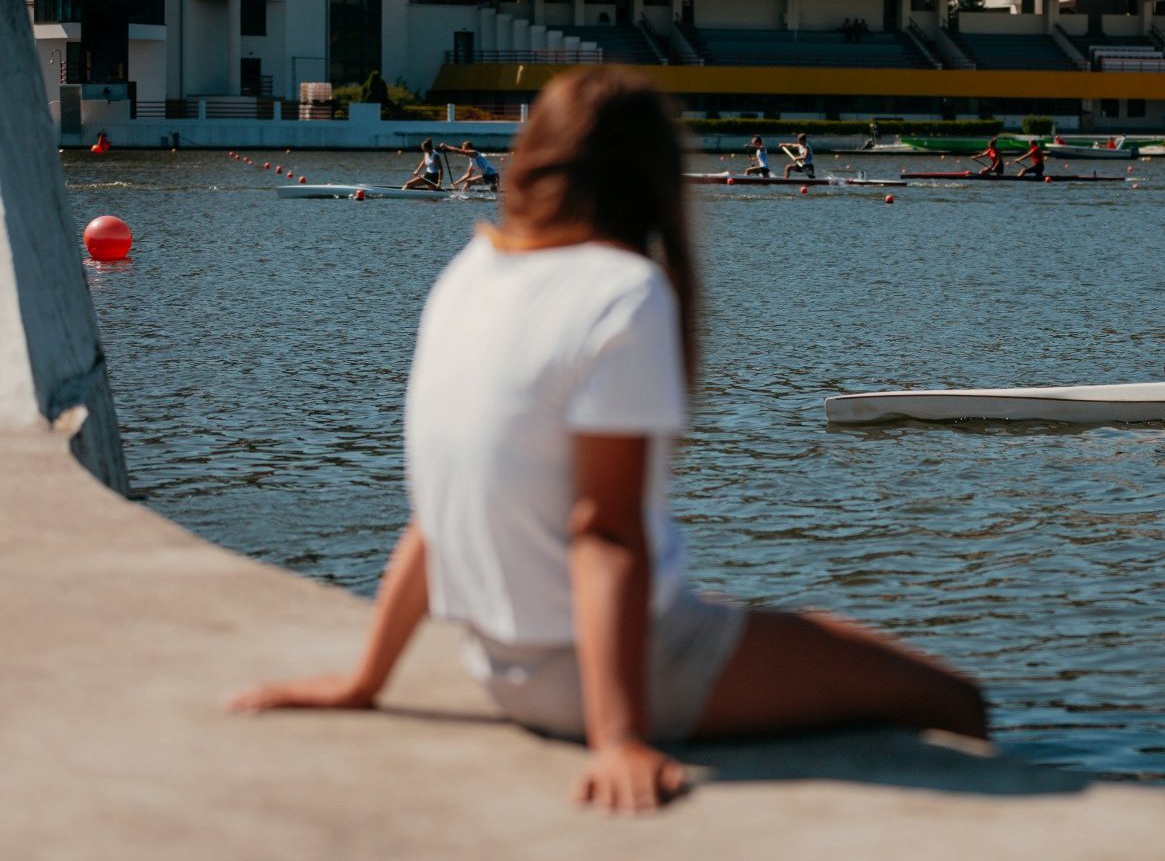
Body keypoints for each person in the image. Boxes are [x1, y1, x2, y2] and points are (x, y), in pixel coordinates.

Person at [227, 68, 987, 813]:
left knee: (805, 635)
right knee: (956, 701)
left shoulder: (470, 272)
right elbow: (606, 529)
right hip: (601, 680)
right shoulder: (624, 291)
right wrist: (619, 737)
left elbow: (442, 513)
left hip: (494, 666)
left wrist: (364, 682)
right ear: (653, 180)